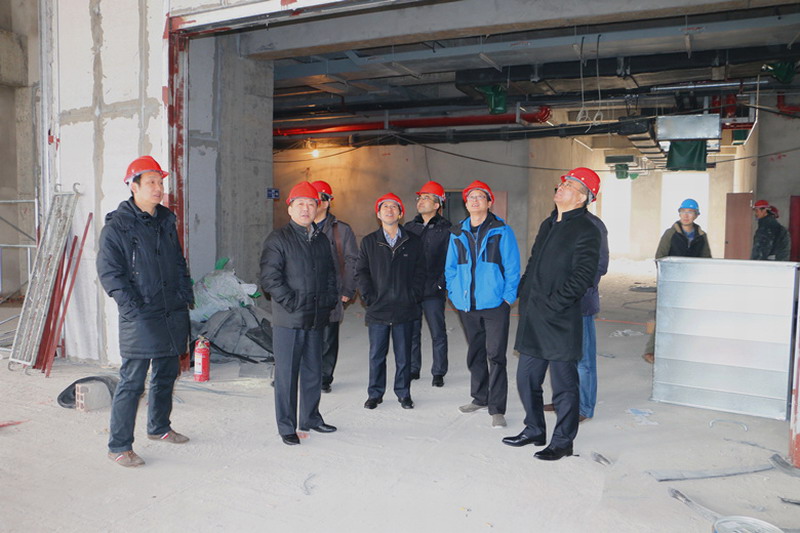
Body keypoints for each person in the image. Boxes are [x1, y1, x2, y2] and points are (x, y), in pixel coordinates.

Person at [97, 155, 193, 468]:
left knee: (167, 373)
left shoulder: (166, 222)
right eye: (151, 182)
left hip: (170, 310)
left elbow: (178, 262)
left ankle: (159, 427)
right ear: (133, 186)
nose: (158, 188)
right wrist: (133, 309)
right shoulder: (118, 226)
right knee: (132, 382)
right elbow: (111, 274)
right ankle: (119, 446)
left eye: (160, 182)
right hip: (140, 314)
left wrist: (184, 295)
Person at [504, 167, 601, 461]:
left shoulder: (587, 229)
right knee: (526, 378)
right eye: (563, 182)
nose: (562, 186)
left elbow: (584, 275)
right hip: (534, 316)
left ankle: (562, 441)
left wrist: (555, 302)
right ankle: (534, 429)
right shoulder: (548, 224)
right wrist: (524, 291)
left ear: (582, 197)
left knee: (564, 386)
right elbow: (534, 261)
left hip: (560, 319)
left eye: (570, 185)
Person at [260, 181, 338, 446]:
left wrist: (327, 302)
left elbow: (330, 275)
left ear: (318, 208)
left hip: (315, 318)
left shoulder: (321, 239)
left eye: (311, 204)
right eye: (301, 204)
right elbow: (270, 279)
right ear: (290, 208)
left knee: (313, 372)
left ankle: (311, 418)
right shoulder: (278, 239)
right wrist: (292, 303)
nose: (306, 209)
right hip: (289, 320)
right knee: (287, 376)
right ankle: (287, 426)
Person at [445, 180, 520, 428]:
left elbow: (512, 268)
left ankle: (497, 408)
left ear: (489, 202)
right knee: (475, 352)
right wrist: (455, 295)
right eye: (471, 197)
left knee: (495, 355)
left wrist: (507, 299)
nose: (475, 200)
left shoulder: (502, 231)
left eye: (480, 196)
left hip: (495, 304)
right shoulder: (457, 232)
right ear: (466, 204)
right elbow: (450, 268)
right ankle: (480, 398)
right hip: (467, 305)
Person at [356, 193, 425, 410]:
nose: (389, 210)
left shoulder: (413, 241)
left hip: (405, 308)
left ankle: (403, 393)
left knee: (404, 356)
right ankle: (375, 394)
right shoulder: (369, 242)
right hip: (378, 308)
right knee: (377, 354)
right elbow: (361, 272)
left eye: (394, 207)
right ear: (378, 214)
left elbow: (421, 272)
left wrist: (413, 295)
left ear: (401, 213)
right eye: (384, 207)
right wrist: (369, 297)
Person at [544, 211, 608, 422]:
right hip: (554, 302)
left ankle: (584, 407)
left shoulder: (593, 225)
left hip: (579, 302)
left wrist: (572, 290)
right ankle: (562, 400)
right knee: (559, 356)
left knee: (583, 359)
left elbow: (600, 265)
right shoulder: (553, 221)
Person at [643, 198, 711, 363]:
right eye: (683, 212)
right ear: (679, 213)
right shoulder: (670, 234)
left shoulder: (701, 237)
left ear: (696, 215)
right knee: (666, 317)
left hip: (691, 284)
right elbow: (660, 257)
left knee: (689, 317)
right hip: (671, 282)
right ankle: (651, 351)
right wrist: (668, 278)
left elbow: (706, 260)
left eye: (690, 212)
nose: (686, 215)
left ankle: (684, 351)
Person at [311, 180, 358, 393]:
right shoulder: (300, 227)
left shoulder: (341, 230)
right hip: (305, 291)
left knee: (328, 337)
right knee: (304, 335)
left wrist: (348, 289)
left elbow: (352, 260)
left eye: (321, 198)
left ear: (329, 202)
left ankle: (324, 378)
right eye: (313, 198)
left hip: (332, 290)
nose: (317, 202)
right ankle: (302, 374)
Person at [405, 181, 452, 387]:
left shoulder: (447, 229)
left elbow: (450, 261)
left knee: (437, 332)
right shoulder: (409, 227)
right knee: (412, 331)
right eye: (420, 198)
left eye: (426, 198)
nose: (421, 201)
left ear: (437, 204)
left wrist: (441, 285)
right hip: (412, 289)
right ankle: (413, 368)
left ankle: (438, 371)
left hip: (433, 289)